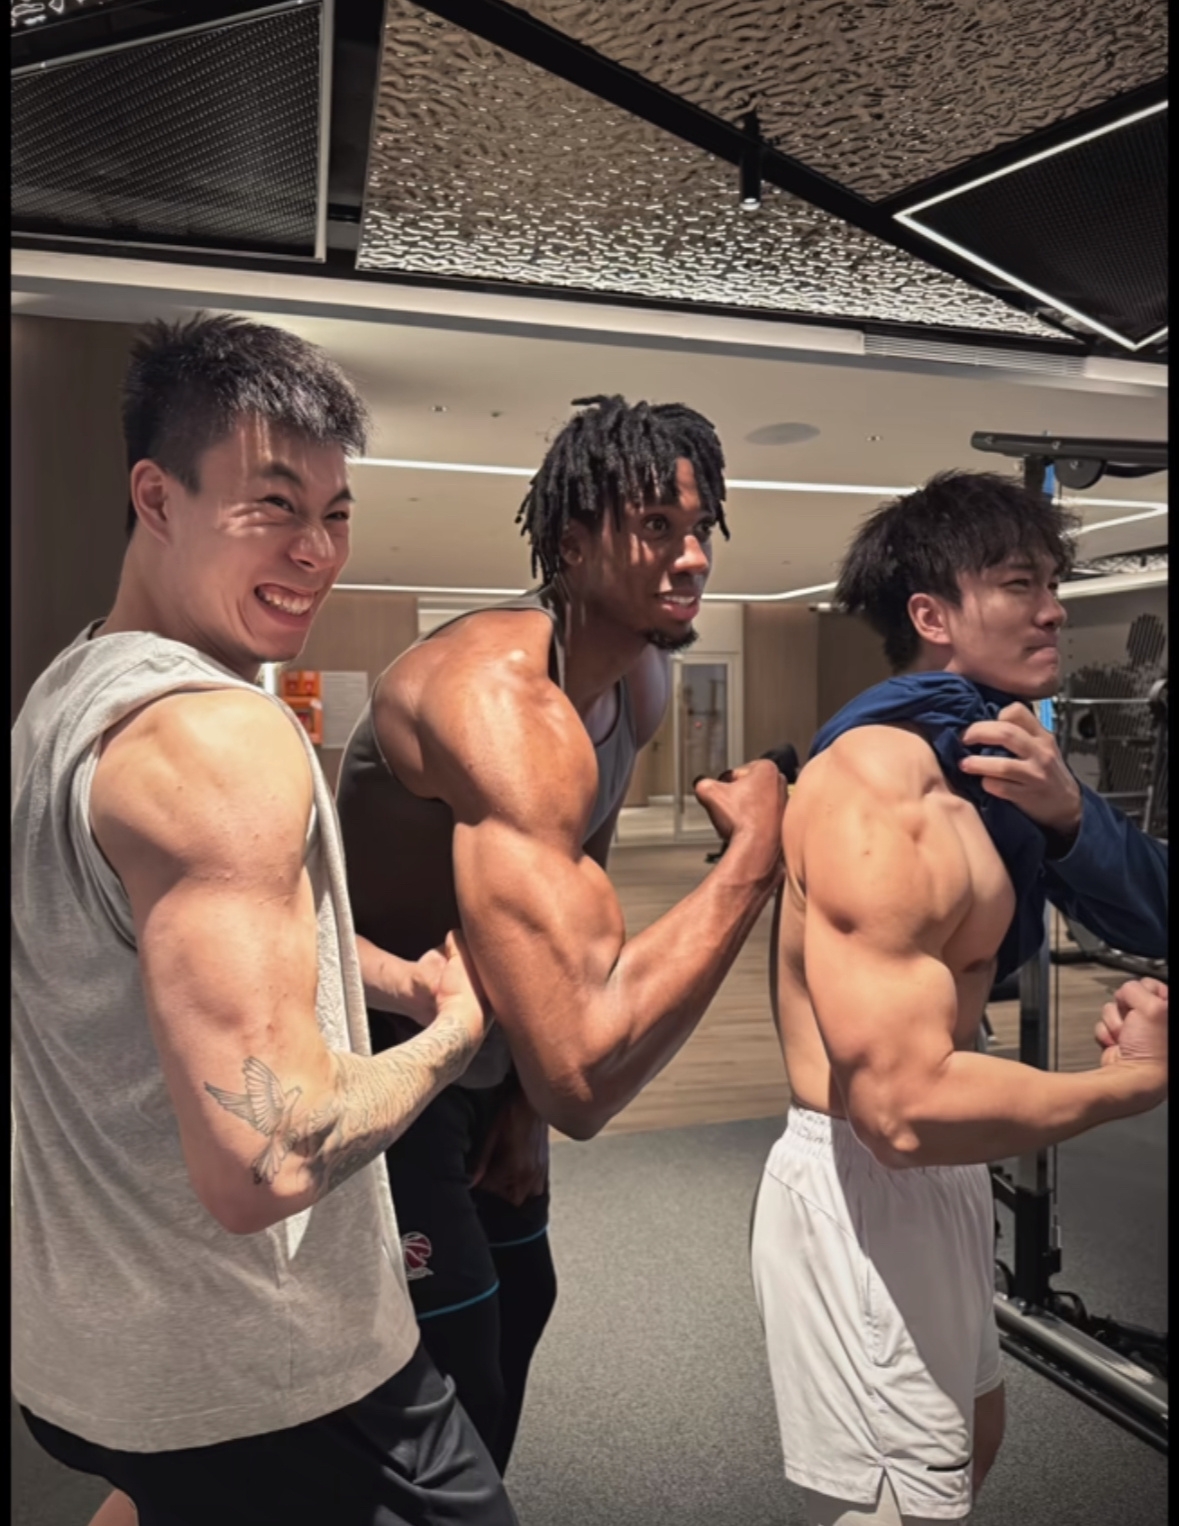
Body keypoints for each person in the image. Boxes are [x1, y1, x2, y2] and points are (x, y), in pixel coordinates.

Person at [11, 314, 519, 1526]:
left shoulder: (70, 687)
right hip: (267, 1372)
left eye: (335, 512)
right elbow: (271, 1152)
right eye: (273, 506)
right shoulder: (218, 735)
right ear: (157, 496)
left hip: (89, 1351)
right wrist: (452, 1033)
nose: (317, 549)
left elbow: (177, 937)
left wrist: (393, 979)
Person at [335, 394, 787, 1470]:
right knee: (448, 1366)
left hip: (488, 1055)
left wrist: (521, 1105)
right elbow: (586, 1075)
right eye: (656, 527)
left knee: (521, 1296)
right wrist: (753, 861)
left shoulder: (638, 679)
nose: (692, 558)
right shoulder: (498, 703)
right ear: (572, 544)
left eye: (700, 529)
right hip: (378, 1053)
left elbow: (580, 884)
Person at [751, 471, 1169, 1526]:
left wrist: (1068, 814)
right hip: (873, 1168)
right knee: (900, 1502)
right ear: (932, 616)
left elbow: (1153, 911)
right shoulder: (878, 787)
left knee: (968, 1444)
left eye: (1054, 582)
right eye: (1020, 583)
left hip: (940, 1160)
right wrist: (1124, 1087)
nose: (1054, 609)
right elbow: (899, 1113)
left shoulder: (988, 760)